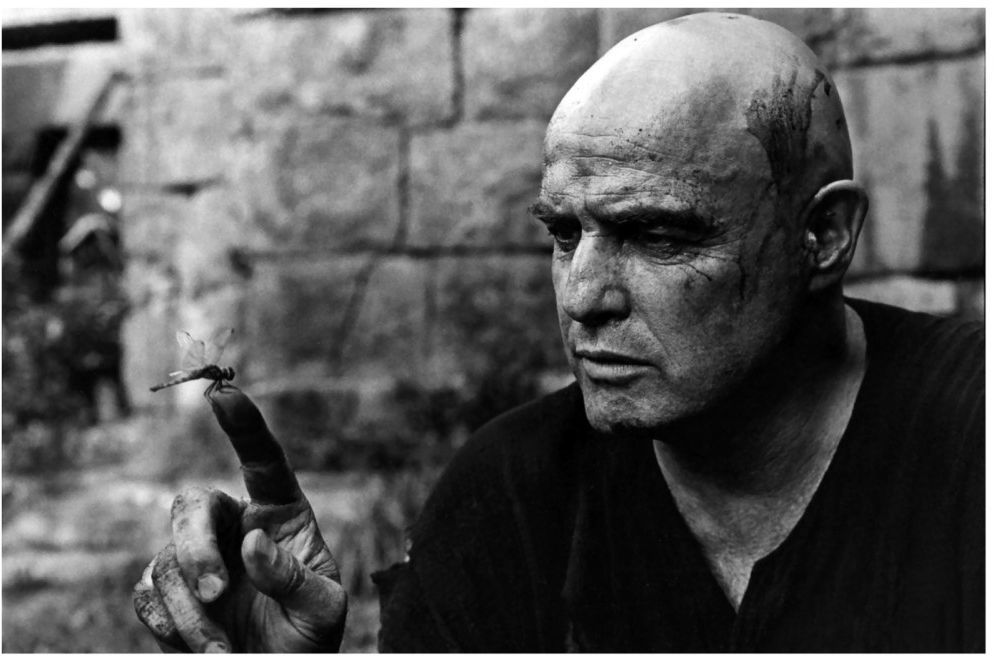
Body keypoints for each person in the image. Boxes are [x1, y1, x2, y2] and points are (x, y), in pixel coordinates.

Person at [132, 13, 983, 653]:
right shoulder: (509, 496)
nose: (583, 297)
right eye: (563, 234)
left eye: (658, 236)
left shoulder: (970, 438)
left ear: (823, 237)